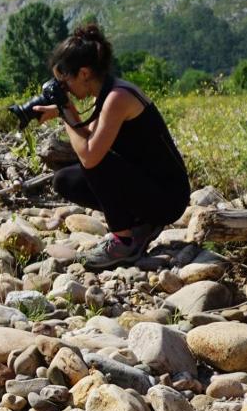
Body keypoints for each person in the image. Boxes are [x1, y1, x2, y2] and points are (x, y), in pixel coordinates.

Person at [33, 23, 190, 269]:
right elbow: (87, 136)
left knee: (96, 161)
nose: (65, 90)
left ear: (84, 73)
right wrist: (66, 110)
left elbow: (90, 156)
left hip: (168, 197)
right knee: (65, 180)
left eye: (65, 83)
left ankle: (123, 241)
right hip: (150, 184)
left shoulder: (118, 97)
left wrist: (65, 112)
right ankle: (139, 225)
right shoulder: (106, 93)